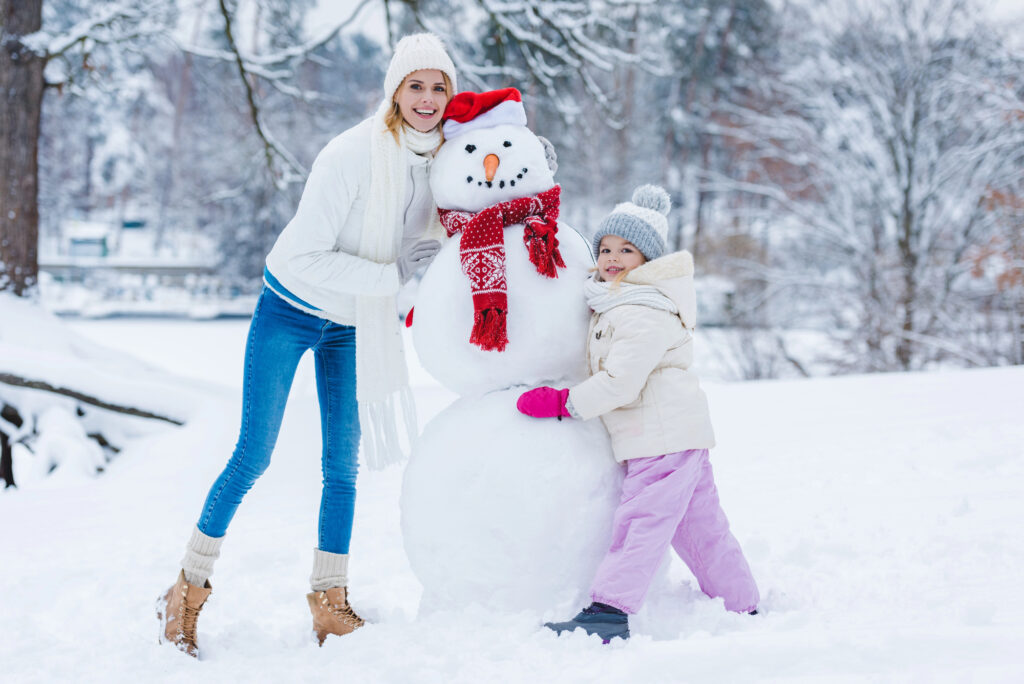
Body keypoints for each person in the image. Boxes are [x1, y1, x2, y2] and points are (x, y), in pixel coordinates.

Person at [156, 33, 458, 657]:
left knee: (342, 467)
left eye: (439, 86)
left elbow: (481, 193)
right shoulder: (350, 155)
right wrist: (392, 277)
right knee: (254, 455)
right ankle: (185, 590)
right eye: (415, 85)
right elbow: (304, 256)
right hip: (290, 307)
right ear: (395, 91)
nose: (427, 98)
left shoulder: (446, 163)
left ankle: (330, 602)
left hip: (353, 324)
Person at [516, 185, 760, 642]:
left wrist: (564, 403)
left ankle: (610, 611)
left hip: (661, 439)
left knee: (641, 525)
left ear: (647, 259)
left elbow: (620, 382)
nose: (612, 257)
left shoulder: (642, 309)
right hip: (675, 437)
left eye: (626, 250)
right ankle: (740, 602)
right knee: (700, 528)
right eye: (606, 248)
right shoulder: (618, 302)